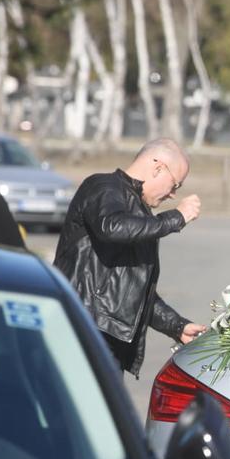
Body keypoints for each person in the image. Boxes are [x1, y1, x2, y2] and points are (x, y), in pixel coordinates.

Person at [53, 138, 206, 379]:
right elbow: (112, 227)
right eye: (175, 184)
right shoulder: (103, 187)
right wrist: (176, 218)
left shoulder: (142, 217)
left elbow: (134, 289)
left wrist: (177, 326)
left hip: (107, 340)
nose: (172, 195)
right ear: (158, 168)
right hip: (81, 330)